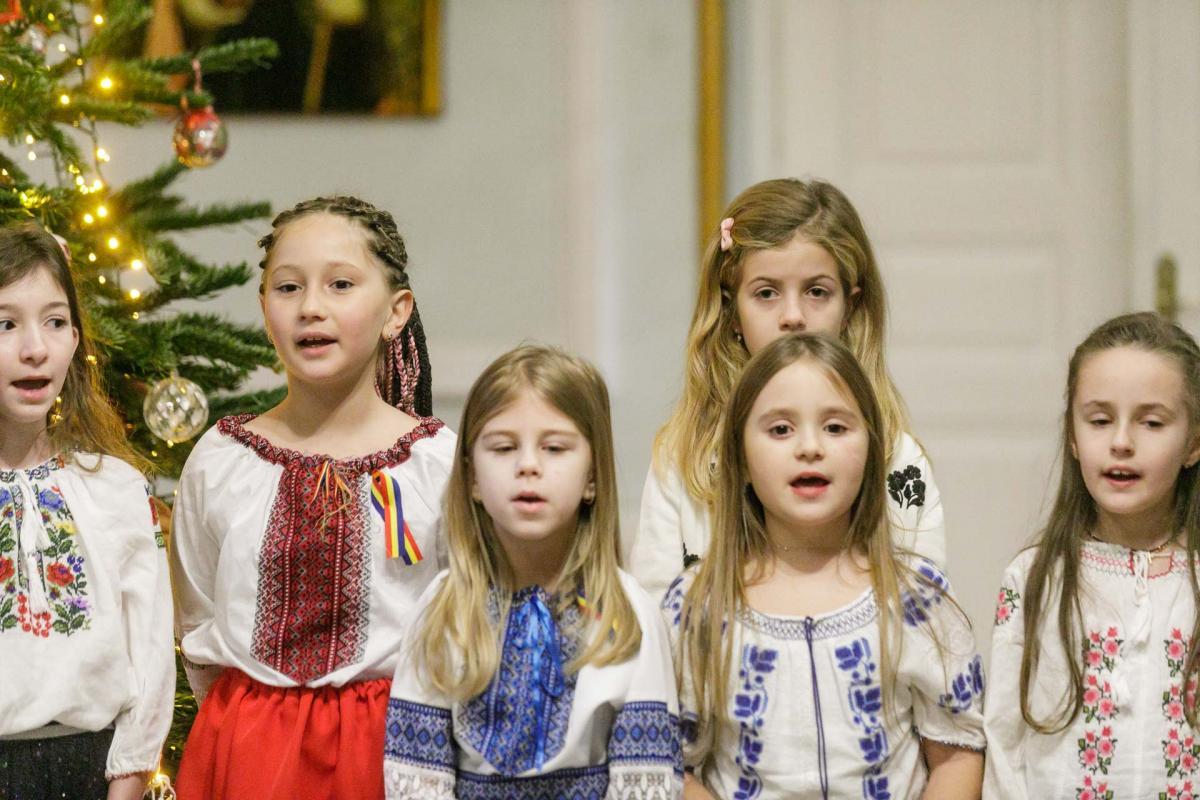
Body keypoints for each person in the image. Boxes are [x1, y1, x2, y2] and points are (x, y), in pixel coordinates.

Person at [170, 196, 455, 799]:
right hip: (245, 751)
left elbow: (465, 619)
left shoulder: (437, 465)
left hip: (395, 754)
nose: (311, 308)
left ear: (396, 311)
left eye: (341, 284)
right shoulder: (222, 461)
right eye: (288, 287)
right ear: (264, 309)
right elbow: (196, 612)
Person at [668, 332, 984, 799]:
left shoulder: (918, 599)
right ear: (741, 458)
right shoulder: (697, 605)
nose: (810, 447)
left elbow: (957, 754)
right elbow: (672, 765)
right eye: (780, 430)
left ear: (871, 451)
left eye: (835, 428)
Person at [384, 345, 682, 798]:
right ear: (472, 479)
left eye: (555, 448)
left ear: (592, 477)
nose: (528, 465)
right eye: (503, 448)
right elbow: (416, 779)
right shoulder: (443, 610)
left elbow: (646, 783)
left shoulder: (627, 618)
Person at [629, 178, 945, 600]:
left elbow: (926, 612)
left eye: (816, 292)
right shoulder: (684, 459)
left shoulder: (898, 460)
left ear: (849, 308)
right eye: (766, 293)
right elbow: (654, 617)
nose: (793, 316)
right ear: (732, 310)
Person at [984, 312, 1200, 798]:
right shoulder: (1036, 578)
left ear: (1194, 443)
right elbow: (1003, 742)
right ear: (1073, 436)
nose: (1121, 442)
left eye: (1151, 422)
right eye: (1100, 420)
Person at [0, 223, 174, 800]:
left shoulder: (114, 488)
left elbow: (150, 650)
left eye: (54, 322)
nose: (35, 348)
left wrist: (130, 776)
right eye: (6, 324)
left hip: (89, 771)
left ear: (75, 339)